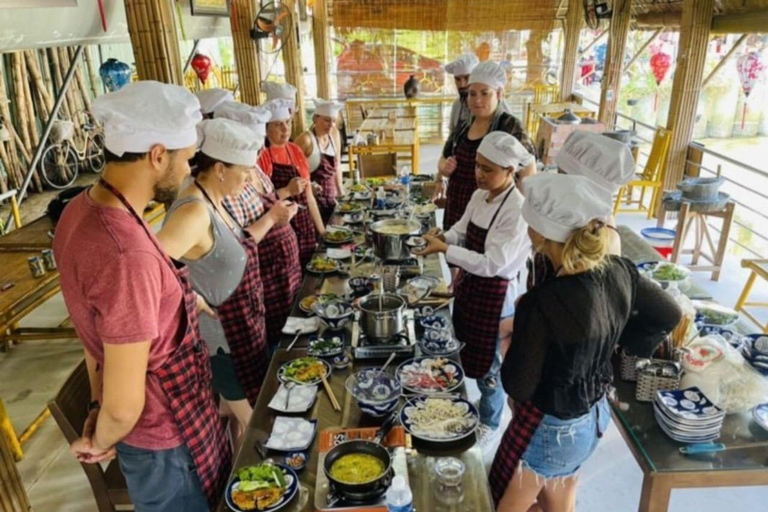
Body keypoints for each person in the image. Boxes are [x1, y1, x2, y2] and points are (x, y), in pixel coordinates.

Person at [53, 81, 230, 511]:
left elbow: (95, 338)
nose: (189, 170)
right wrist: (104, 435)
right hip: (167, 444)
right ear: (156, 155)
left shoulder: (79, 211)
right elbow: (125, 404)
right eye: (186, 159)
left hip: (162, 433)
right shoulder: (127, 255)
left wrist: (98, 409)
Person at [490, 173, 682, 512]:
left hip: (555, 426)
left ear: (543, 233)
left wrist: (510, 346)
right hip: (593, 415)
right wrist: (613, 347)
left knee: (510, 504)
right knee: (561, 493)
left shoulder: (544, 301)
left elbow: (519, 386)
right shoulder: (620, 269)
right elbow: (669, 313)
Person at [156, 118, 269, 446]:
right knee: (261, 435)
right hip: (222, 342)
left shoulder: (214, 199)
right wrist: (194, 298)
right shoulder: (192, 212)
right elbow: (149, 269)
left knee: (238, 427)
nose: (248, 180)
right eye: (244, 172)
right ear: (220, 168)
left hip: (242, 331)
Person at [416, 132, 533, 446]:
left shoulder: (517, 210)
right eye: (478, 166)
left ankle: (491, 421)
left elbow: (493, 264)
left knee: (491, 366)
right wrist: (443, 236)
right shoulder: (479, 196)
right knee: (469, 352)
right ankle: (479, 404)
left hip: (497, 298)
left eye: (488, 169)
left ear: (510, 171)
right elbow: (462, 230)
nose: (479, 174)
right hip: (472, 289)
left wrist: (445, 250)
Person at [217, 103, 303, 352]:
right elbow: (238, 239)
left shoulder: (253, 168)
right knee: (277, 337)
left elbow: (268, 199)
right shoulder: (230, 182)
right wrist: (274, 216)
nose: (259, 150)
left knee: (291, 330)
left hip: (283, 270)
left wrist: (284, 203)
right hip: (265, 272)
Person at [526, 131, 635, 289]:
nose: (557, 182)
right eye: (558, 173)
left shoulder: (604, 239)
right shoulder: (568, 217)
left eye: (564, 176)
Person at [436, 61, 536, 232]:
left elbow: (528, 169)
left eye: (485, 93)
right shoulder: (464, 125)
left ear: (499, 93)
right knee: (454, 249)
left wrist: (521, 214)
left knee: (481, 254)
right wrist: (444, 169)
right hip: (457, 206)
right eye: (472, 94)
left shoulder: (509, 126)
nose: (477, 100)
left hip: (490, 212)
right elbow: (443, 157)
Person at [259, 98, 325, 268]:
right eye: (278, 124)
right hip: (279, 232)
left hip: (304, 226)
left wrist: (322, 233)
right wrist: (288, 191)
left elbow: (309, 196)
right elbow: (262, 203)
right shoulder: (262, 156)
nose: (286, 128)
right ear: (266, 129)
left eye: (287, 122)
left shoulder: (295, 150)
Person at [295, 99, 345, 223]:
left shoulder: (334, 134)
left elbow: (337, 165)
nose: (331, 125)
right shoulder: (305, 140)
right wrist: (309, 185)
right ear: (315, 118)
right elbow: (293, 172)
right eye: (327, 120)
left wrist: (341, 193)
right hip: (312, 202)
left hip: (331, 198)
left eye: (333, 121)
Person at [444, 53, 479, 134]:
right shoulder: (457, 105)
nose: (462, 85)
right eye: (458, 79)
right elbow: (452, 135)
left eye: (467, 78)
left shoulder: (489, 105)